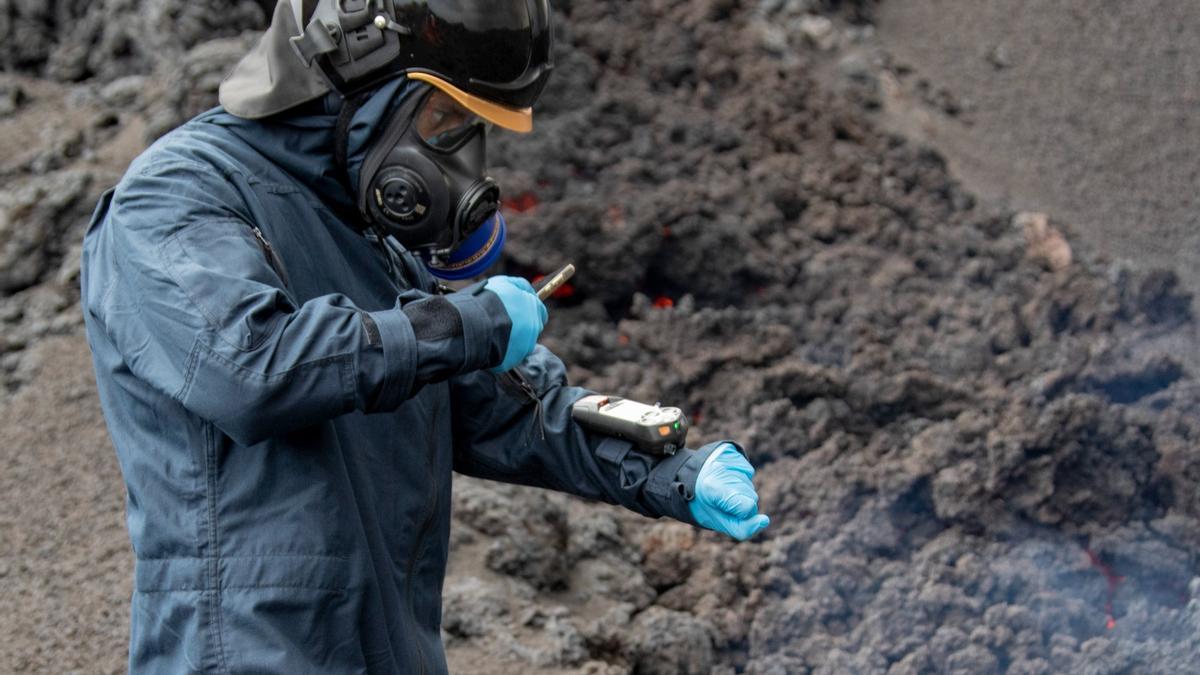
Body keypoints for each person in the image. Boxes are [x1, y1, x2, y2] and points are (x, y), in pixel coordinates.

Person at [79, 1, 770, 672]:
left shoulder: (364, 235)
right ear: (358, 70)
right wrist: (466, 322)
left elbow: (502, 410)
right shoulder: (175, 200)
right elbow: (252, 369)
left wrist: (673, 472)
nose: (458, 162)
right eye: (445, 119)